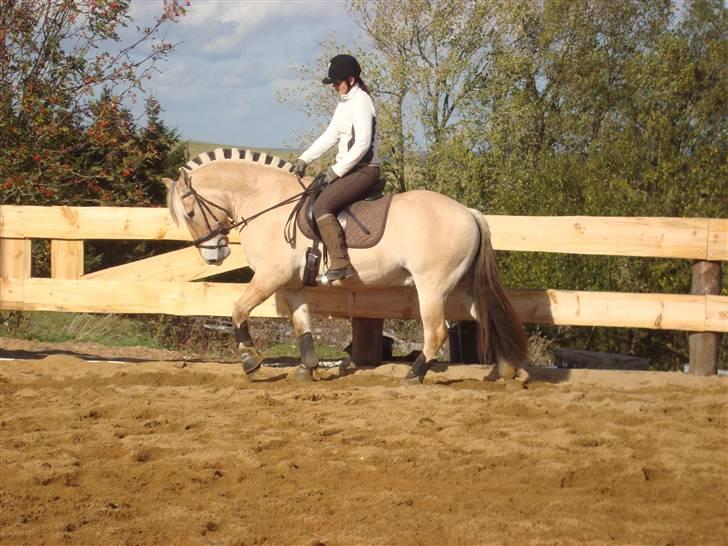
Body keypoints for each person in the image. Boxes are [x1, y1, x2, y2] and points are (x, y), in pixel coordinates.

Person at [294, 54, 381, 282]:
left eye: (337, 82)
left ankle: (341, 263)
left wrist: (336, 170)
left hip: (364, 169)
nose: (334, 86)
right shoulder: (344, 102)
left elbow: (362, 144)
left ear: (351, 80)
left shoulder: (361, 101)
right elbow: (330, 135)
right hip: (350, 168)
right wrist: (305, 159)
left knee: (322, 206)